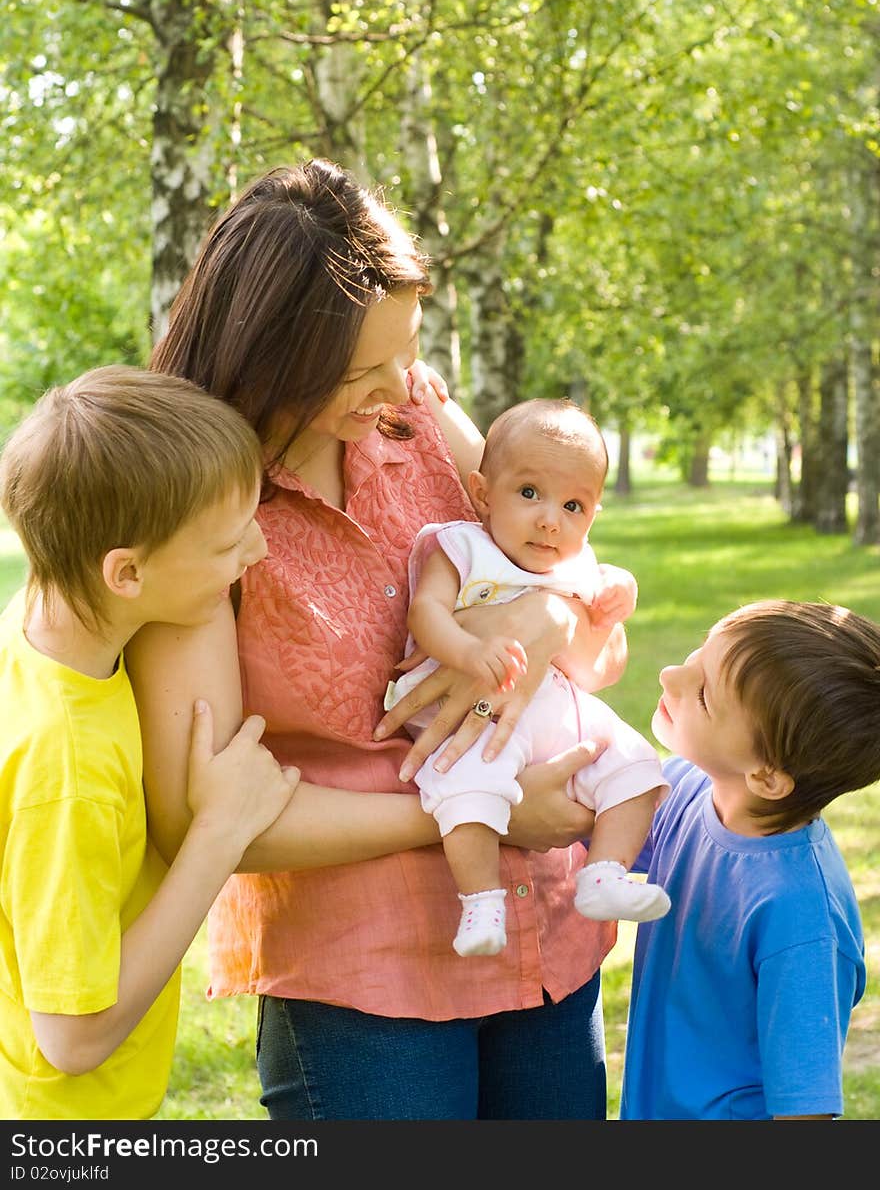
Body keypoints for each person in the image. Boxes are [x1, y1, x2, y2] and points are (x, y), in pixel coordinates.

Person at [127, 158, 630, 1121]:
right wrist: (474, 811)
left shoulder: (419, 419)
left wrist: (541, 613)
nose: (400, 383)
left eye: (406, 349)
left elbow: (572, 560)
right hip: (367, 984)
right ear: (271, 357)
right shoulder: (198, 513)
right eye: (363, 369)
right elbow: (196, 815)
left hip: (544, 948)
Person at [0, 366, 299, 1121]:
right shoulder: (68, 763)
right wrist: (220, 832)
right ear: (126, 572)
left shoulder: (32, 624)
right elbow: (71, 1037)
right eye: (229, 541)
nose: (258, 550)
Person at [385, 397, 670, 957]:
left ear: (591, 518)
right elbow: (426, 614)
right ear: (483, 492)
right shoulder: (462, 546)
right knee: (470, 782)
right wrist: (468, 650)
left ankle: (604, 873)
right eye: (529, 493)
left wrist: (621, 592)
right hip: (468, 706)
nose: (550, 520)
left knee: (636, 764)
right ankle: (479, 900)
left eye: (572, 506)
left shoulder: (572, 561)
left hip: (551, 707)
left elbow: (601, 631)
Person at [619, 599, 880, 1121]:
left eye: (704, 695)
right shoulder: (691, 791)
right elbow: (582, 828)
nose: (671, 674)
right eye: (699, 651)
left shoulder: (800, 917)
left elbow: (803, 1113)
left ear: (765, 776)